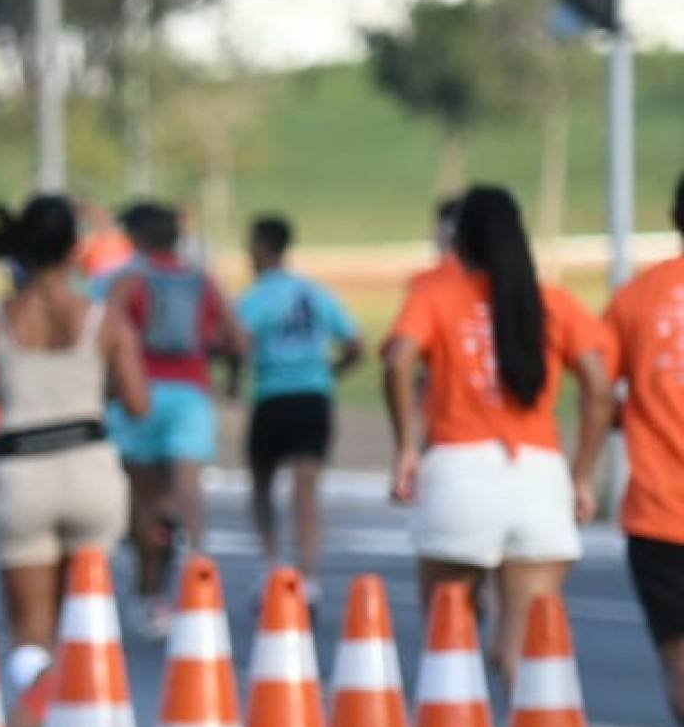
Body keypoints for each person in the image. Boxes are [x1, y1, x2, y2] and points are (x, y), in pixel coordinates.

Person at [0, 196, 149, 727]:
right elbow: (138, 401)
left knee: (31, 626)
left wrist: (6, 388)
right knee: (87, 614)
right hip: (90, 466)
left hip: (20, 469)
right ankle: (89, 726)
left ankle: (32, 720)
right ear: (76, 250)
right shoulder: (103, 318)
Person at [385, 183, 614, 686]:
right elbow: (599, 386)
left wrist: (405, 445)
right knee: (527, 656)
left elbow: (399, 358)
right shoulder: (553, 302)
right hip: (538, 475)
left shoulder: (436, 294)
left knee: (450, 648)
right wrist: (582, 475)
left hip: (458, 471)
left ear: (460, 240)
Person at [103, 201, 240, 636]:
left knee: (142, 500)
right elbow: (236, 339)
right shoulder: (202, 281)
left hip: (140, 392)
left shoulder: (128, 281)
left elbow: (105, 334)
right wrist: (225, 373)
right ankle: (199, 576)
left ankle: (150, 592)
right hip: (191, 393)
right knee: (184, 492)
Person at [604, 173, 684, 727]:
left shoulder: (639, 298)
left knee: (681, 674)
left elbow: (599, 384)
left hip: (660, 515)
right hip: (659, 512)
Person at [232, 213, 362, 577]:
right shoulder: (316, 292)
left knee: (262, 483)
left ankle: (270, 560)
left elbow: (236, 341)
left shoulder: (257, 296)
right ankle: (309, 573)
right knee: (306, 490)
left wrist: (233, 375)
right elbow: (356, 343)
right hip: (313, 395)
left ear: (262, 247)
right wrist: (330, 372)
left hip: (273, 394)